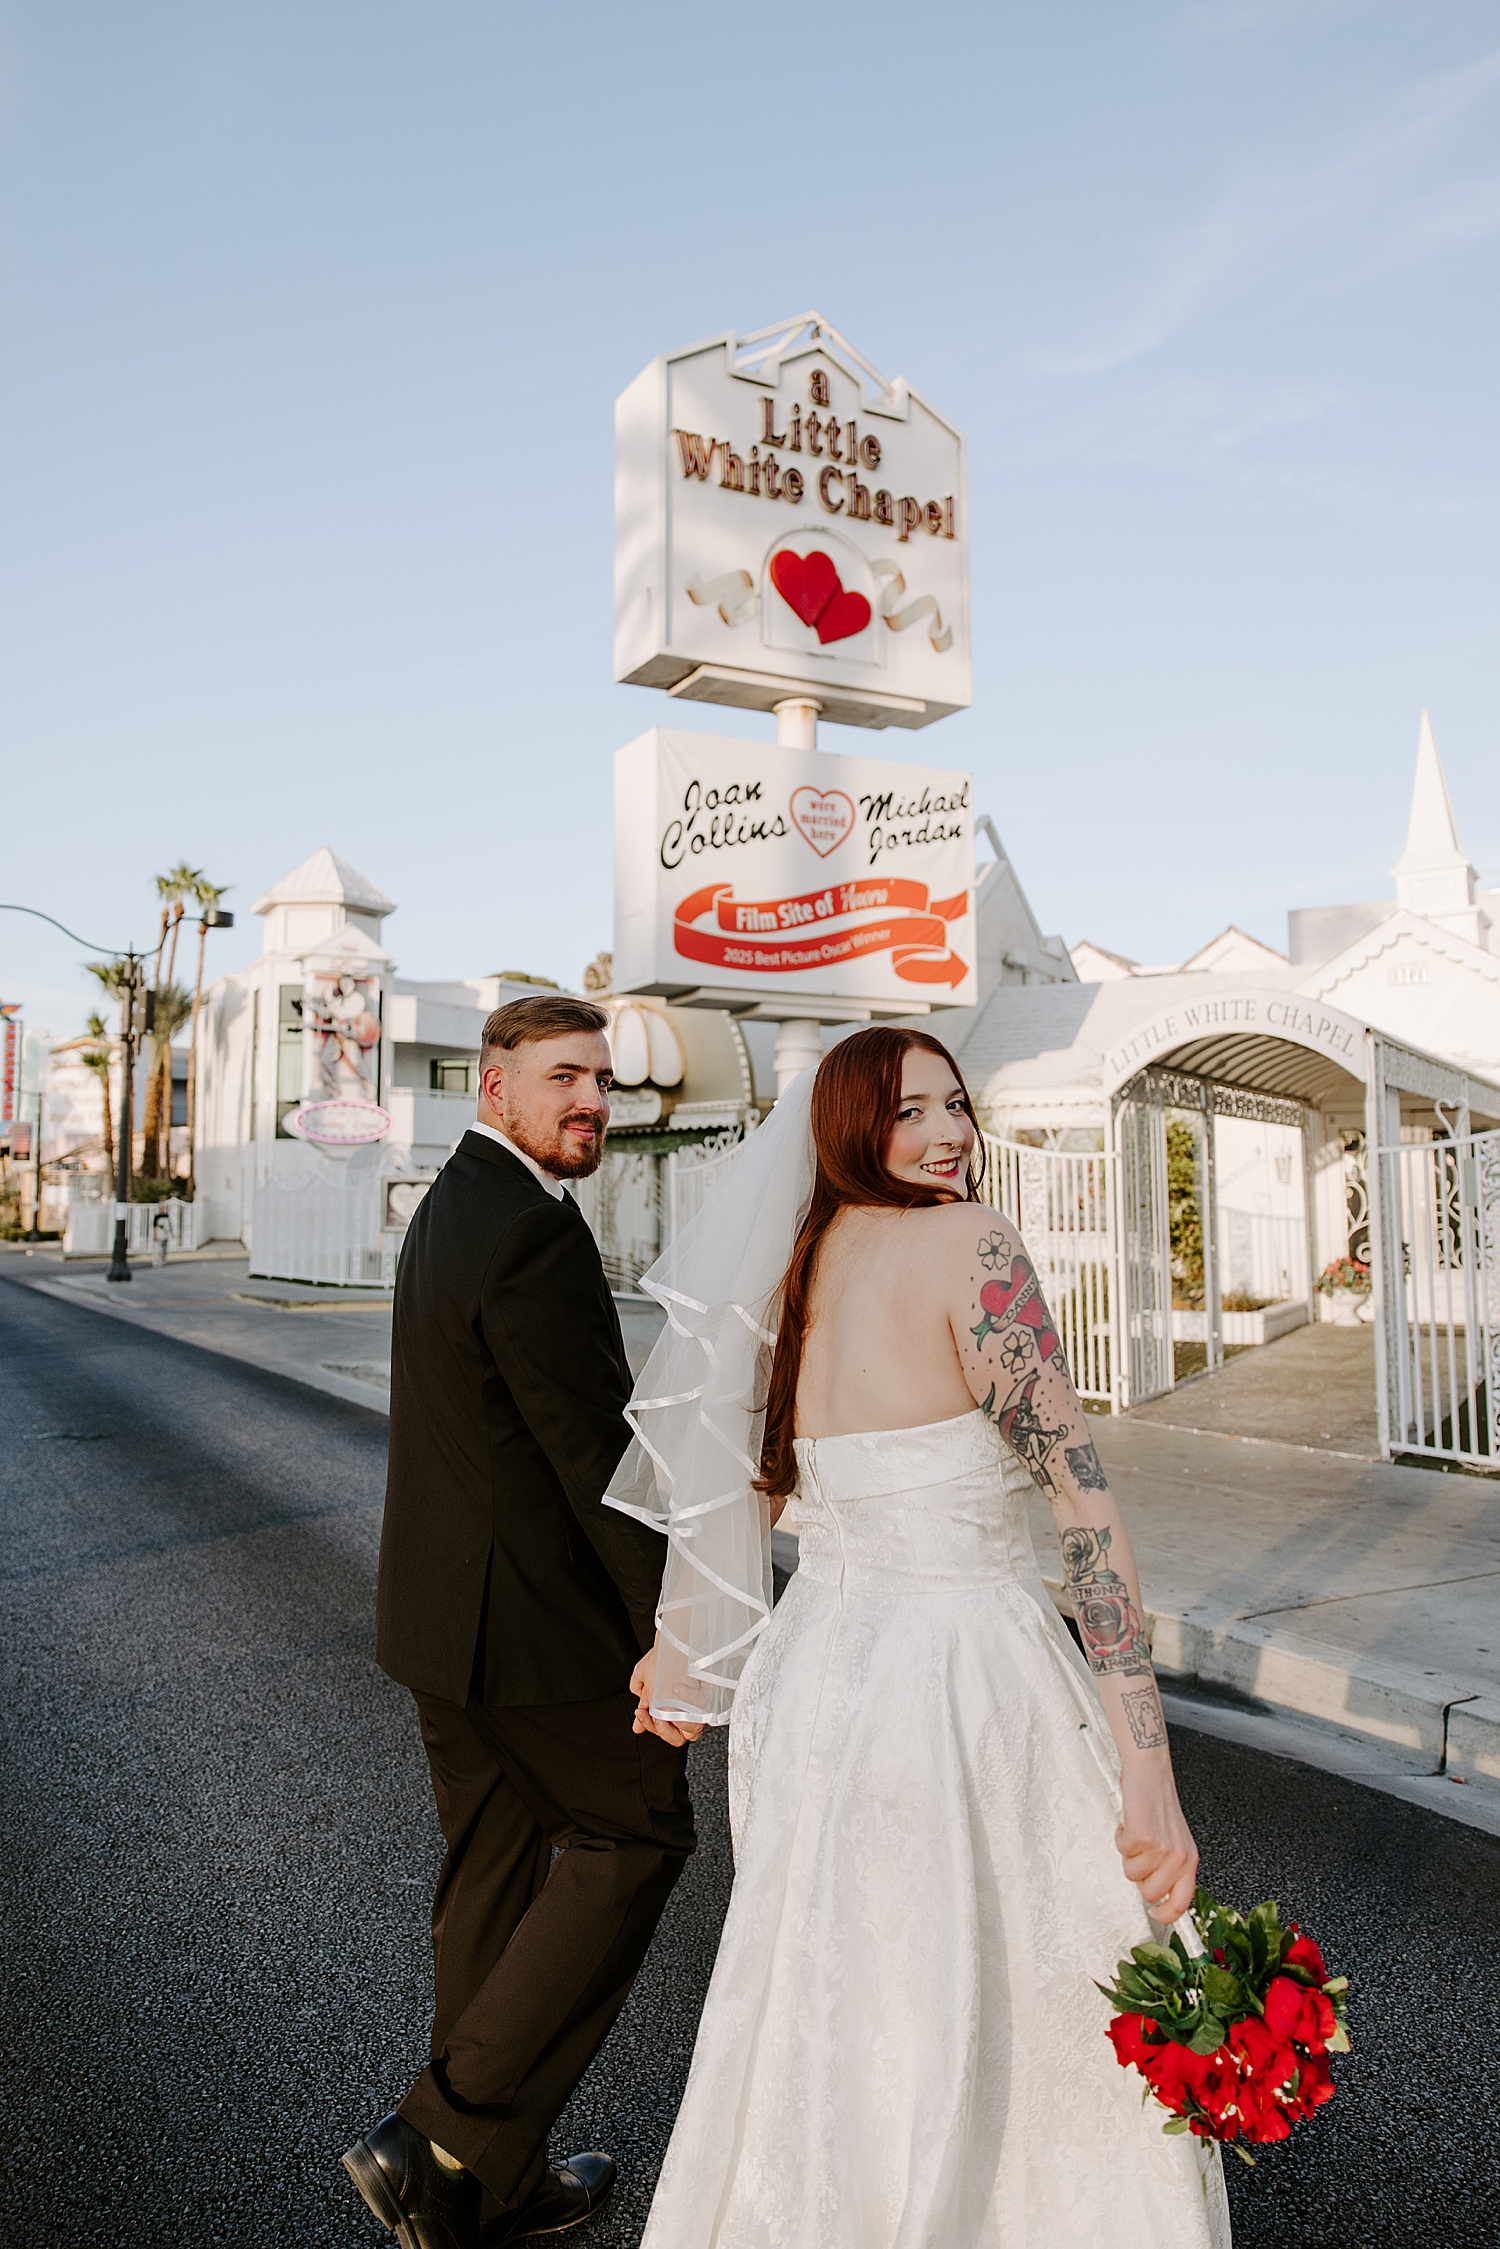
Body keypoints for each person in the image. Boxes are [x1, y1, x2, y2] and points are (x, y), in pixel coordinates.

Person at [613, 1027, 1230, 2248]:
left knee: (835, 2009)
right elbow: (1082, 1506)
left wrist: (682, 1644)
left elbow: (749, 1487)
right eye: (909, 1113)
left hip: (817, 1687)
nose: (948, 1133)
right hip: (960, 1681)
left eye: (956, 1103)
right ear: (848, 1127)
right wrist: (1148, 1774)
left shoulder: (797, 1269)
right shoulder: (975, 1247)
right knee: (1014, 2000)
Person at [344, 994, 698, 2249]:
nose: (590, 1099)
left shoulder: (454, 1205)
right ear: (495, 1087)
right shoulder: (528, 1233)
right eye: (562, 1076)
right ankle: (443, 2130)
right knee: (636, 1830)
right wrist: (674, 1629)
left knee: (492, 1880)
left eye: (600, 1078)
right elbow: (595, 1457)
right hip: (534, 1632)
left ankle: (485, 2184)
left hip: (442, 1626)